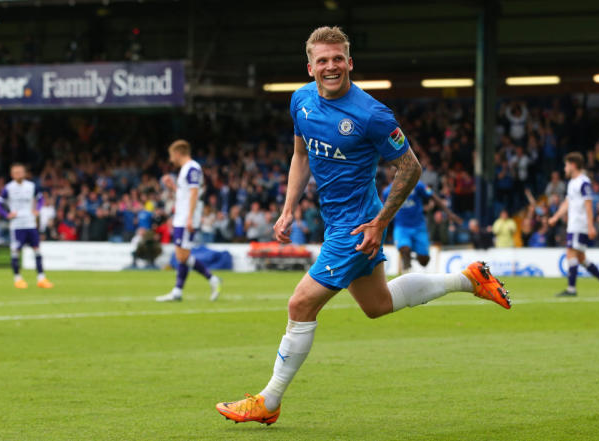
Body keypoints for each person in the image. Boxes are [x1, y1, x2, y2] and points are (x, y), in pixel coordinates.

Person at [215, 26, 510, 426]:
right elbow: (300, 155)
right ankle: (469, 279)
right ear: (311, 67)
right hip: (336, 220)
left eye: (338, 58)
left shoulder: (371, 114)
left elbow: (411, 167)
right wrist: (288, 210)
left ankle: (269, 400)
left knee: (300, 304)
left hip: (357, 226)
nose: (331, 66)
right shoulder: (300, 100)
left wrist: (379, 221)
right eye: (323, 60)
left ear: (350, 62)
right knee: (377, 305)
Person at [155, 140, 221, 302]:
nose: (171, 159)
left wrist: (190, 217)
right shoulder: (186, 169)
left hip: (186, 218)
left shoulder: (192, 168)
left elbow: (194, 193)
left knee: (182, 255)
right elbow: (184, 194)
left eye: (171, 155)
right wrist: (172, 187)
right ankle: (178, 291)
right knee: (182, 255)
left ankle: (212, 279)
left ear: (178, 153)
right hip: (182, 217)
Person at [548, 152, 599, 297]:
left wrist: (590, 226)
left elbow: (588, 204)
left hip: (579, 225)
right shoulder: (572, 183)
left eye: (566, 165)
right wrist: (556, 216)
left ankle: (571, 289)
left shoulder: (583, 182)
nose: (564, 168)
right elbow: (567, 202)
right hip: (574, 224)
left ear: (573, 165)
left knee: (570, 253)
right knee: (581, 257)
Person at [382, 169, 461, 271]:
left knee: (424, 261)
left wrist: (449, 213)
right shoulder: (387, 192)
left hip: (419, 226)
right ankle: (407, 270)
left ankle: (413, 253)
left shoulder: (418, 185)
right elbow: (386, 211)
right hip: (402, 227)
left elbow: (432, 195)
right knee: (404, 249)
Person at [0, 163, 54, 289]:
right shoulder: (9, 188)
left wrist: (37, 209)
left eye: (20, 172)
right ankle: (18, 278)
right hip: (17, 225)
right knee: (16, 251)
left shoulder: (31, 186)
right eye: (15, 172)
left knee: (37, 250)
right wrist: (6, 215)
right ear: (12, 174)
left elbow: (40, 199)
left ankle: (41, 278)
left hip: (30, 223)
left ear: (25, 173)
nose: (18, 174)